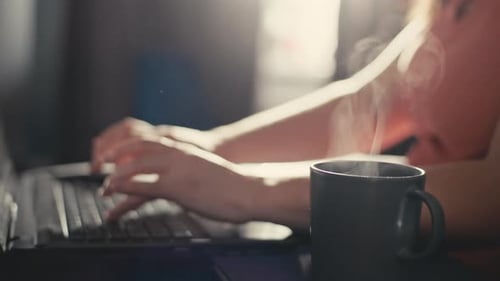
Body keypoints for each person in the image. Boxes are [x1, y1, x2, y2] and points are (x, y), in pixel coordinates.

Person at [92, 0, 500, 248]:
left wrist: (247, 190)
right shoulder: (453, 8)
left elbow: (491, 197)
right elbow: (366, 103)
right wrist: (211, 147)